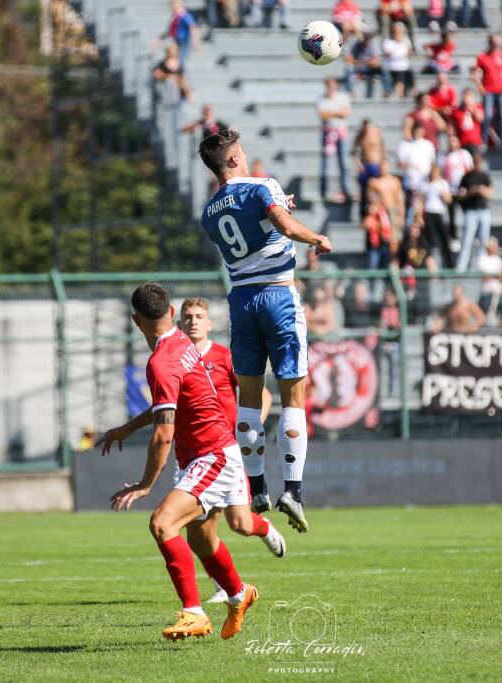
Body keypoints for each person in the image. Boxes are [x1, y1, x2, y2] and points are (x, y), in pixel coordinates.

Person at [102, 284, 265, 640]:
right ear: (173, 313)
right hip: (205, 455)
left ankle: (193, 613)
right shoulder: (181, 344)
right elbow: (171, 403)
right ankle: (240, 594)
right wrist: (128, 428)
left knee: (162, 523)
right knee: (203, 542)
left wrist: (145, 485)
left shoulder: (161, 361)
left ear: (135, 321)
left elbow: (164, 433)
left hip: (213, 454)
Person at [198, 129, 334, 532]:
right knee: (294, 396)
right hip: (278, 297)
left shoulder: (208, 212)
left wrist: (277, 210)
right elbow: (282, 225)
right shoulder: (262, 186)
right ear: (236, 158)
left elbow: (253, 225)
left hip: (241, 302)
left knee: (249, 401)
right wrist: (315, 238)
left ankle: (256, 486)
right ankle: (292, 490)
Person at [317, 77, 352, 204]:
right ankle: (323, 191)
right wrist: (337, 113)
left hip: (340, 132)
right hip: (328, 133)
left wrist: (330, 113)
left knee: (344, 163)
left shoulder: (343, 97)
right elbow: (322, 114)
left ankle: (346, 189)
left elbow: (346, 113)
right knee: (325, 164)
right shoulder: (322, 99)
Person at [456, 153, 493, 271]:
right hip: (470, 211)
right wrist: (470, 192)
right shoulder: (466, 177)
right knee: (467, 239)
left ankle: (481, 264)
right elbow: (460, 195)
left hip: (483, 210)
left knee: (483, 240)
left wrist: (482, 191)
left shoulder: (485, 176)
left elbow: (490, 193)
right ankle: (462, 266)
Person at [471, 34, 502, 146]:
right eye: (494, 43)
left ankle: (501, 141)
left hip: (500, 90)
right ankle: (483, 140)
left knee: (501, 116)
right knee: (487, 116)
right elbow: (474, 73)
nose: (496, 46)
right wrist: (480, 87)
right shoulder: (482, 57)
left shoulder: (501, 56)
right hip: (488, 90)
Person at [417, 165, 455, 267]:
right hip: (429, 212)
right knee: (429, 241)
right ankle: (430, 264)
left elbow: (449, 200)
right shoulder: (425, 185)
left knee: (445, 239)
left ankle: (450, 263)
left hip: (439, 213)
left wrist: (443, 195)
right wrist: (419, 216)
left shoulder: (443, 184)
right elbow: (420, 201)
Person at [353, 119, 386, 217]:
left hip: (375, 165)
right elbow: (354, 151)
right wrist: (359, 164)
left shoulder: (377, 135)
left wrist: (382, 163)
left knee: (377, 190)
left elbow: (383, 150)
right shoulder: (361, 137)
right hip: (365, 166)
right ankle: (364, 214)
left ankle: (379, 213)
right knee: (364, 191)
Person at [151, 0, 199, 66]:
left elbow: (192, 27)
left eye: (174, 3)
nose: (172, 6)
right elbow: (169, 31)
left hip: (184, 42)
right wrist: (158, 40)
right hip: (176, 42)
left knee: (180, 63)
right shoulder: (175, 16)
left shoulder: (184, 15)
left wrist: (195, 42)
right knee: (171, 62)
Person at [368, 158, 407, 239]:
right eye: (381, 167)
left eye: (385, 166)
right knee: (380, 237)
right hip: (380, 212)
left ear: (389, 167)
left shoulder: (395, 181)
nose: (383, 169)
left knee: (395, 239)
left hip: (393, 211)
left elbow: (400, 200)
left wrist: (401, 216)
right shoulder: (374, 182)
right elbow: (371, 199)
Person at [382, 22, 415, 99]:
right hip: (392, 66)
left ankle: (411, 92)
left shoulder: (406, 41)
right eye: (396, 31)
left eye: (400, 31)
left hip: (403, 66)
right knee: (400, 74)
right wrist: (398, 47)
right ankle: (398, 94)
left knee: (409, 73)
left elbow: (409, 54)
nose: (398, 33)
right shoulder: (388, 42)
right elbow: (389, 54)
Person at [451, 89, 485, 157]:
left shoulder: (478, 107)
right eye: (465, 95)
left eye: (469, 95)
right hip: (461, 143)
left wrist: (472, 107)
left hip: (475, 143)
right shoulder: (457, 111)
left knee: (476, 163)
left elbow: (480, 118)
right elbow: (452, 127)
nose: (467, 97)